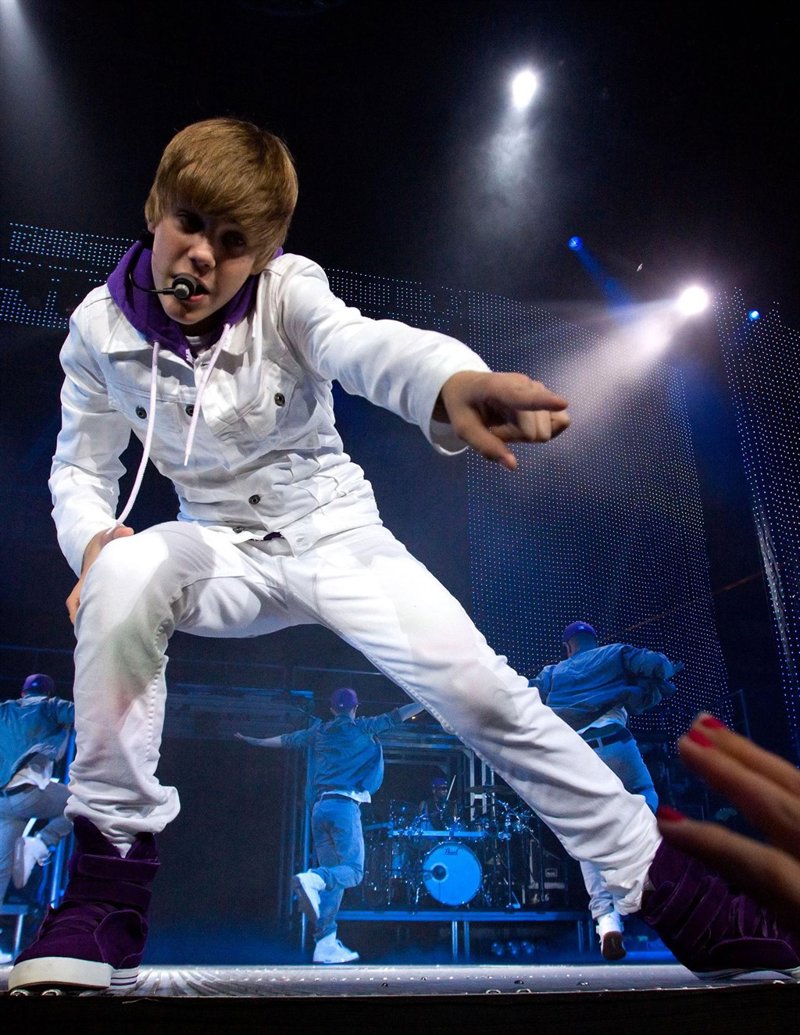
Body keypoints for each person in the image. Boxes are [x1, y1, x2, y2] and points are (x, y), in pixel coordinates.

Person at [9, 117, 800, 993]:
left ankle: (669, 888)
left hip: (333, 536)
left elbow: (364, 344)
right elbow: (80, 467)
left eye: (233, 245)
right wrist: (93, 540)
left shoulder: (289, 293)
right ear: (156, 208)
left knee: (482, 690)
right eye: (189, 225)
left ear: (262, 255)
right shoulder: (97, 330)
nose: (202, 255)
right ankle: (106, 890)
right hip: (220, 550)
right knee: (120, 573)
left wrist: (452, 382)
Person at [236, 687, 423, 963]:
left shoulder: (319, 732)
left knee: (335, 881)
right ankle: (312, 879)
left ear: (333, 709)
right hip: (344, 808)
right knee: (353, 872)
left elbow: (286, 740)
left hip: (320, 809)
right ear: (355, 707)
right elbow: (398, 715)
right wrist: (427, 702)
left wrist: (255, 741)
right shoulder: (364, 727)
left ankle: (325, 943)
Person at [530, 621, 681, 961]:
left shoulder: (553, 672)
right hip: (616, 745)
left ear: (568, 646)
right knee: (645, 799)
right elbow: (656, 665)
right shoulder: (615, 653)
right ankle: (640, 869)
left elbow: (527, 695)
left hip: (578, 755)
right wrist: (660, 671)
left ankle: (607, 920)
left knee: (587, 835)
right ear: (594, 640)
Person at [1, 674, 75, 962]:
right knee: (81, 802)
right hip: (27, 793)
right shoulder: (52, 706)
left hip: (2, 801)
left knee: (1, 870)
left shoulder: (5, 709)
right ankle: (42, 842)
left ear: (23, 692)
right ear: (48, 692)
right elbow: (87, 716)